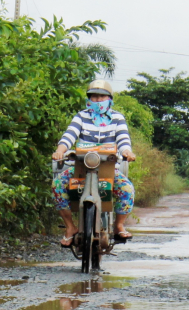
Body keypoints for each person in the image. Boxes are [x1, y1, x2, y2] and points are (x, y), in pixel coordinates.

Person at [51, 80, 137, 247]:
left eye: (102, 96)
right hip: (80, 168)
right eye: (94, 96)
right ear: (89, 99)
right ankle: (70, 227)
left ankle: (118, 225)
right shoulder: (81, 116)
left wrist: (127, 151)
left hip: (109, 169)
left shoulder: (118, 118)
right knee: (57, 186)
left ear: (109, 98)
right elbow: (69, 135)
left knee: (127, 189)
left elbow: (123, 139)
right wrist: (60, 150)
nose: (98, 100)